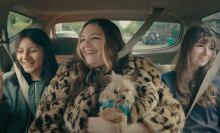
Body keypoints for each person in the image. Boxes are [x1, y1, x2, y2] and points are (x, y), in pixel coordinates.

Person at [29, 18, 185, 133]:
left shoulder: (141, 67)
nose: (86, 45)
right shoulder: (69, 71)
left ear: (113, 43)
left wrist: (127, 129)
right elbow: (42, 124)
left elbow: (175, 116)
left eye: (95, 38)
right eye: (82, 39)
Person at [162, 25, 220, 133]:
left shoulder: (216, 83)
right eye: (200, 46)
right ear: (187, 47)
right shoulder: (166, 81)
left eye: (211, 48)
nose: (206, 52)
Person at [0, 28, 58, 133]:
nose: (25, 57)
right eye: (20, 51)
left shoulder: (60, 83)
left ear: (46, 52)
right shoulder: (5, 82)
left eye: (33, 50)